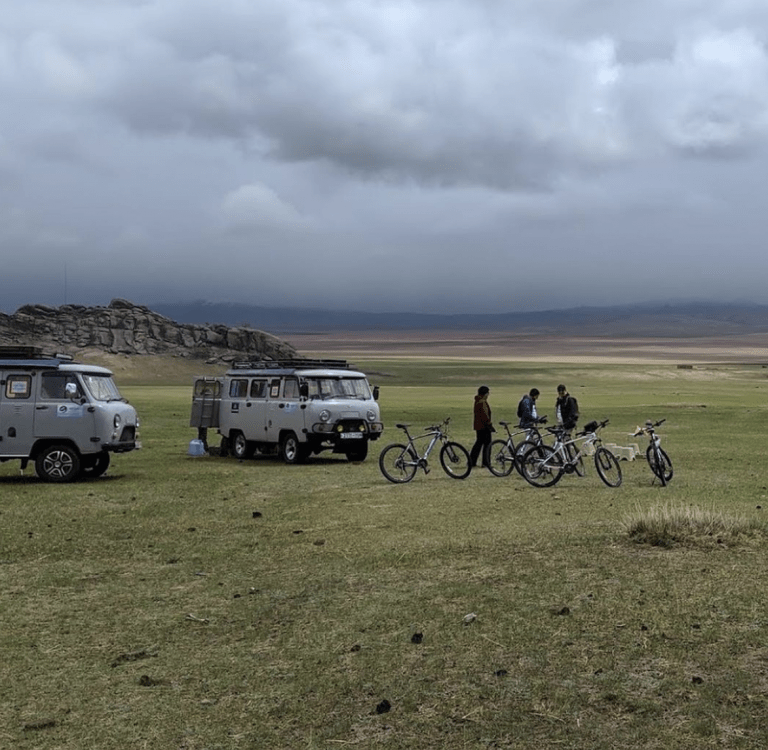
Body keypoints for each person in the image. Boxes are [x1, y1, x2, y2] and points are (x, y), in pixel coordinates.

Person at [470, 385, 494, 468]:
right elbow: (485, 415)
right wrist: (489, 424)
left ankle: (472, 461)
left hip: (478, 426)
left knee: (478, 443)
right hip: (484, 426)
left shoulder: (477, 401)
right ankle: (486, 462)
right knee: (487, 444)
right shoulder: (482, 402)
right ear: (485, 394)